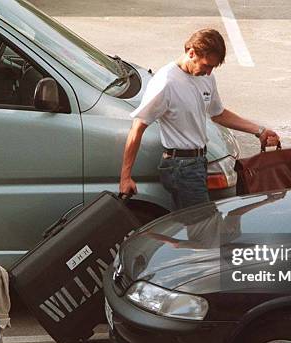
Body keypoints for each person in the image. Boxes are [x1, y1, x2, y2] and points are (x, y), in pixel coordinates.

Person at [119, 28, 280, 210]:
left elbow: (218, 114)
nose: (209, 72)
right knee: (204, 227)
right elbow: (137, 127)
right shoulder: (165, 83)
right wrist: (125, 177)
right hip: (181, 167)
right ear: (191, 52)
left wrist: (259, 131)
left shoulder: (206, 78)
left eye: (213, 67)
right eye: (206, 65)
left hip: (199, 163)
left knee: (190, 226)